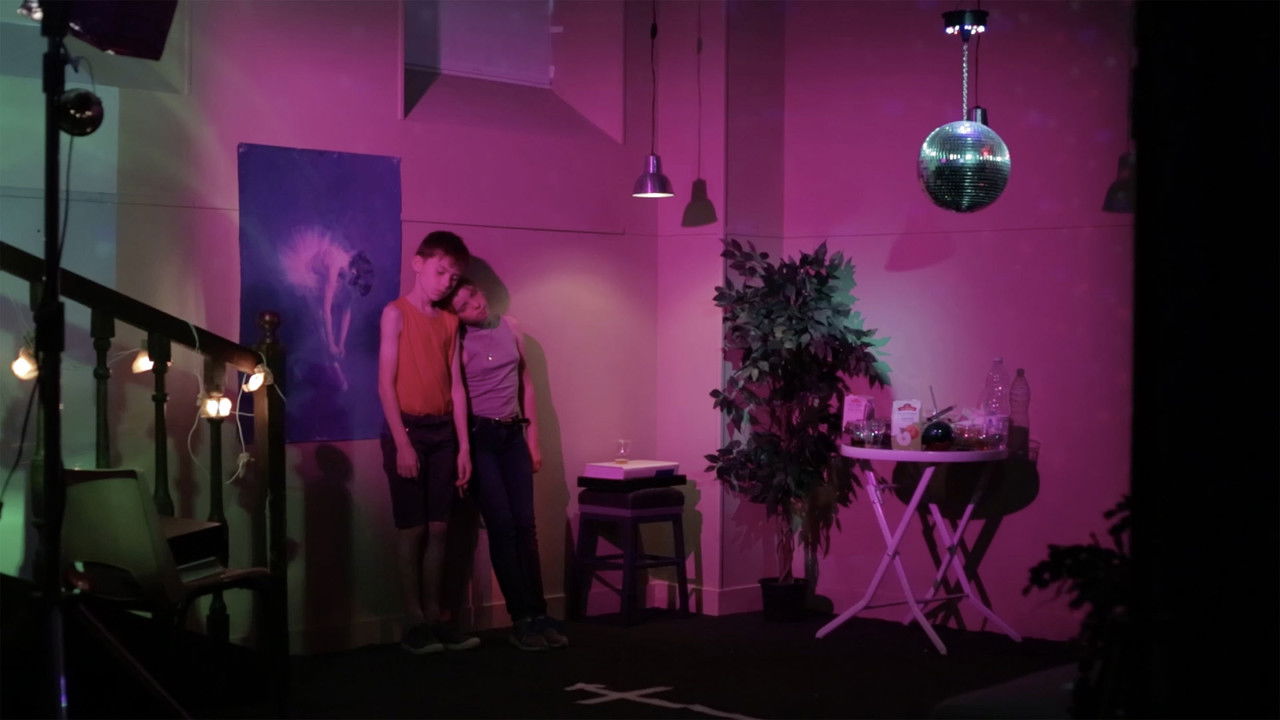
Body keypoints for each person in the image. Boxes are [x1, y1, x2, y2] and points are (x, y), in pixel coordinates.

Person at [449, 278, 568, 651]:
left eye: (474, 294)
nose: (475, 304)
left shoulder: (511, 326)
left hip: (512, 432)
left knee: (525, 526)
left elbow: (526, 385)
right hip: (481, 437)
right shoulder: (457, 340)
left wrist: (533, 440)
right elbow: (457, 394)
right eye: (463, 305)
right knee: (502, 527)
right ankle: (521, 619)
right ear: (455, 315)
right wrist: (463, 449)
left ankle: (539, 613)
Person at [378, 230, 479, 654]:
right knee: (412, 528)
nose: (446, 283)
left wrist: (464, 446)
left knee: (440, 527)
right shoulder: (395, 313)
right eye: (441, 272)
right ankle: (414, 620)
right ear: (419, 264)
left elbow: (456, 386)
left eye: (453, 278)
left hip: (442, 432)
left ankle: (437, 616)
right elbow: (385, 383)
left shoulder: (450, 321)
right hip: (408, 429)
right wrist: (402, 443)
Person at [278, 225, 375, 392]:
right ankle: (335, 369)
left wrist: (341, 343)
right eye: (355, 284)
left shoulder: (350, 275)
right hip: (310, 274)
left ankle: (330, 365)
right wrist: (331, 344)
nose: (353, 288)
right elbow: (326, 310)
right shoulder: (335, 264)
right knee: (320, 321)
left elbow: (347, 311)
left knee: (338, 311)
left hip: (326, 277)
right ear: (353, 272)